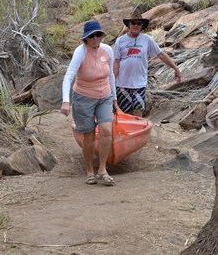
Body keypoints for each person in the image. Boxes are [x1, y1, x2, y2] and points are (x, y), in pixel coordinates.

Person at [61, 20, 119, 186]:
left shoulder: (107, 50)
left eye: (97, 35)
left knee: (107, 131)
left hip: (105, 96)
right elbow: (69, 76)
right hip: (83, 97)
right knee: (89, 134)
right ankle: (89, 170)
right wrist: (66, 101)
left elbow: (111, 76)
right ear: (85, 39)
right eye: (91, 36)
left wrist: (114, 99)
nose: (95, 38)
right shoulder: (80, 52)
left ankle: (102, 170)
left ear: (101, 36)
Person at [113, 12, 181, 117]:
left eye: (138, 23)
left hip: (139, 83)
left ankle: (138, 132)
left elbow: (161, 54)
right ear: (129, 25)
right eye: (133, 23)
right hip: (122, 83)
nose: (136, 25)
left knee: (138, 111)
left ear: (141, 26)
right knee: (124, 113)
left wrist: (175, 67)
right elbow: (116, 62)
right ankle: (126, 133)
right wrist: (112, 80)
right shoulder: (120, 41)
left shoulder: (146, 39)